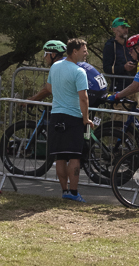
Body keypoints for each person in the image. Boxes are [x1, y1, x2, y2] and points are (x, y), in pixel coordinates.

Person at [47, 38, 95, 202]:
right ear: (74, 51)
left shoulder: (55, 66)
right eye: (84, 50)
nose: (86, 53)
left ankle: (64, 190)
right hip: (73, 117)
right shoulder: (79, 71)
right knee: (75, 157)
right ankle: (74, 192)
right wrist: (86, 118)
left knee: (60, 156)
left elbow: (50, 87)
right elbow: (84, 98)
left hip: (56, 115)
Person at [27, 40, 108, 108]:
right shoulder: (67, 61)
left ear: (53, 55)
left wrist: (31, 101)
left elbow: (48, 89)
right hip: (100, 90)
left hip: (93, 91)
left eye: (45, 54)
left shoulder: (59, 65)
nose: (44, 57)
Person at [102, 18, 135, 93]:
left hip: (133, 88)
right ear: (114, 30)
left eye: (127, 28)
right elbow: (106, 68)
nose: (126, 30)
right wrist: (124, 67)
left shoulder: (131, 45)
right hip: (118, 89)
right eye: (123, 27)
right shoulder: (109, 46)